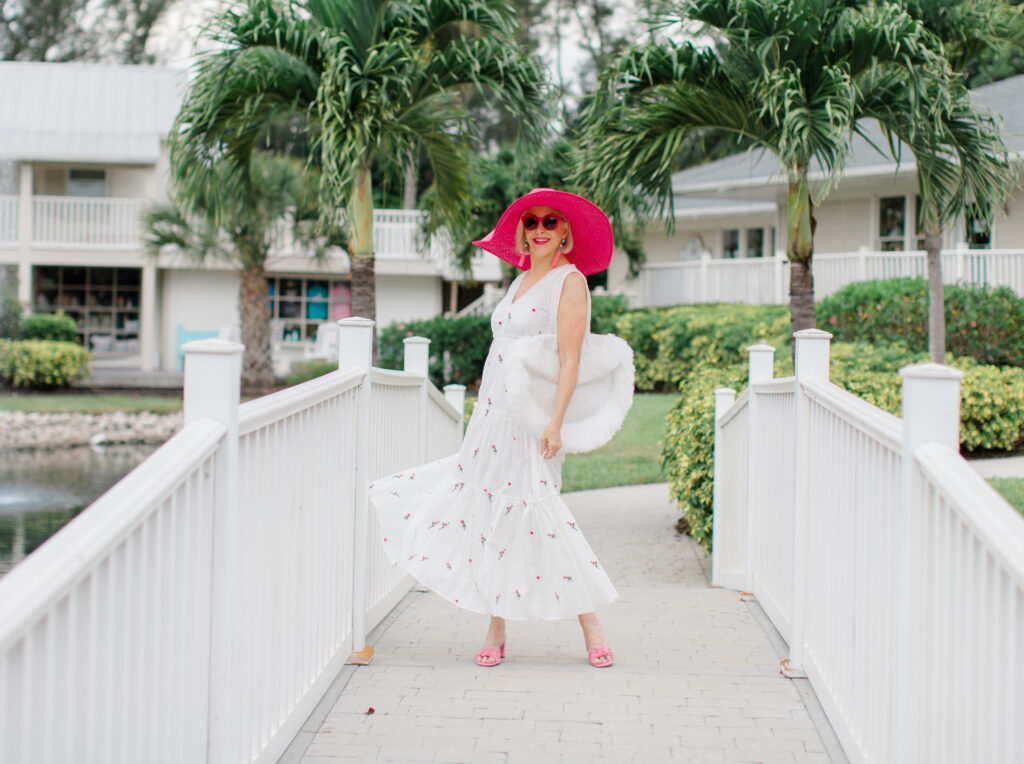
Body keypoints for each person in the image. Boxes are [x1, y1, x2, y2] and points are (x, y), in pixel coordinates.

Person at [369, 188, 631, 668]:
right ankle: (496, 626)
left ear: (565, 233)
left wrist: (554, 422)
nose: (539, 230)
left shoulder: (569, 282)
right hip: (492, 413)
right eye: (531, 223)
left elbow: (570, 358)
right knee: (486, 513)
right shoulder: (518, 282)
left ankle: (591, 623)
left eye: (550, 222)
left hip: (531, 417)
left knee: (541, 511)